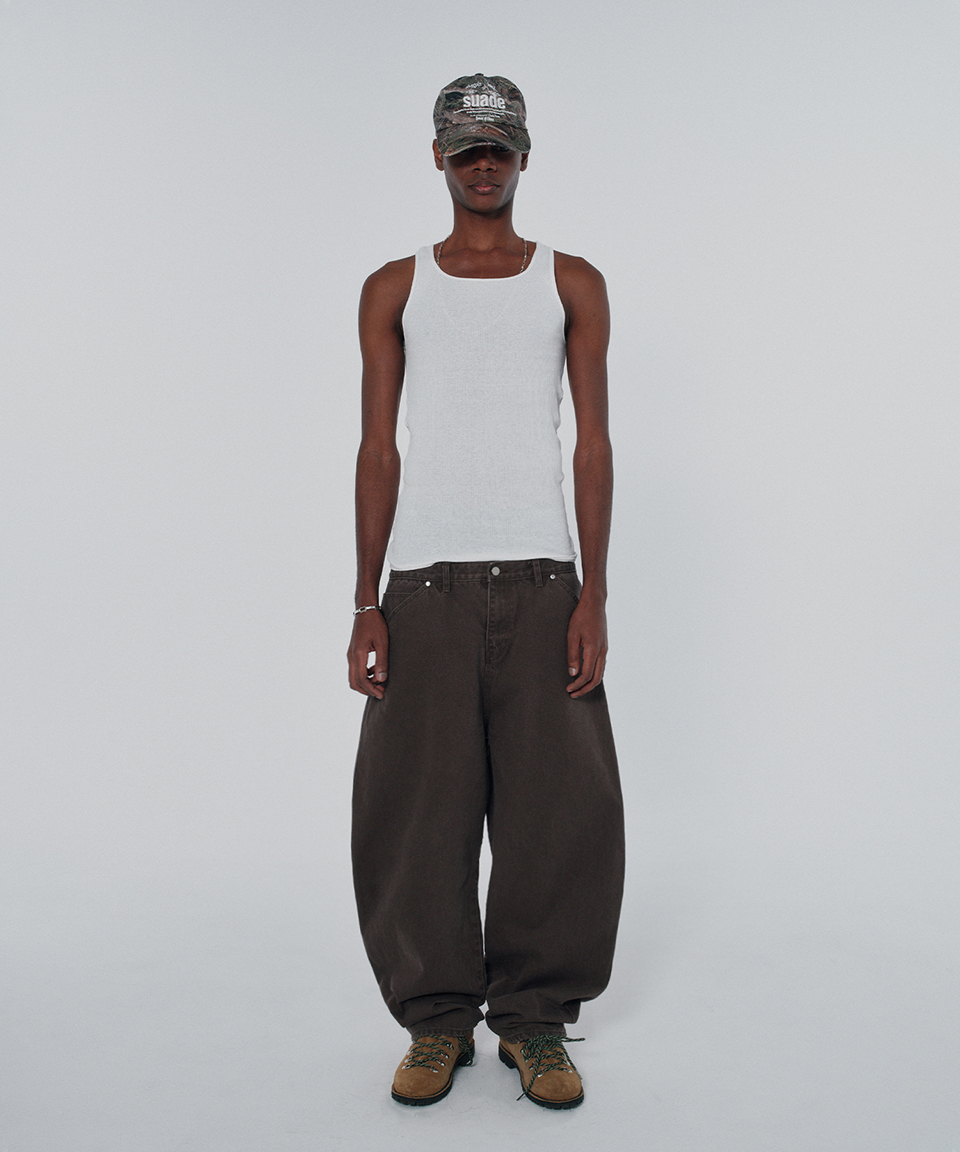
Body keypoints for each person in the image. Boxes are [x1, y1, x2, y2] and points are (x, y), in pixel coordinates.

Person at [347, 73, 625, 1110]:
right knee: (416, 810)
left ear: (523, 155)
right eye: (465, 147)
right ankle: (436, 1020)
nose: (482, 163)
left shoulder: (571, 282)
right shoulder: (395, 287)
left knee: (561, 811)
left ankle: (536, 1021)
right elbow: (379, 448)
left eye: (498, 146)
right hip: (424, 583)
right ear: (438, 156)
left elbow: (592, 446)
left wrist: (594, 594)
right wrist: (365, 601)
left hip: (544, 576)